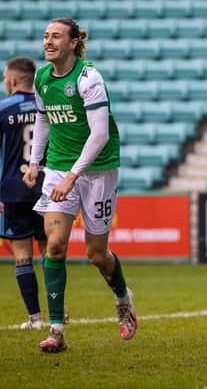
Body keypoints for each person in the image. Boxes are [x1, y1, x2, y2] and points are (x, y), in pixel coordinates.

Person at [22, 18, 137, 353]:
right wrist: (34, 162)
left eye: (55, 36)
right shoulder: (42, 79)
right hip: (58, 167)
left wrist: (74, 176)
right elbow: (43, 121)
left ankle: (122, 298)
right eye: (45, 36)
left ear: (73, 42)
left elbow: (100, 135)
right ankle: (56, 331)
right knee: (54, 245)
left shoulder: (89, 78)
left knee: (96, 254)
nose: (48, 41)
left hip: (97, 169)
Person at [1, 56, 47, 330]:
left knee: (22, 255)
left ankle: (35, 318)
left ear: (14, 79)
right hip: (47, 188)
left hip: (14, 189)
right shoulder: (48, 108)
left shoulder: (4, 108)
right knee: (50, 251)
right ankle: (58, 312)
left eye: (6, 76)